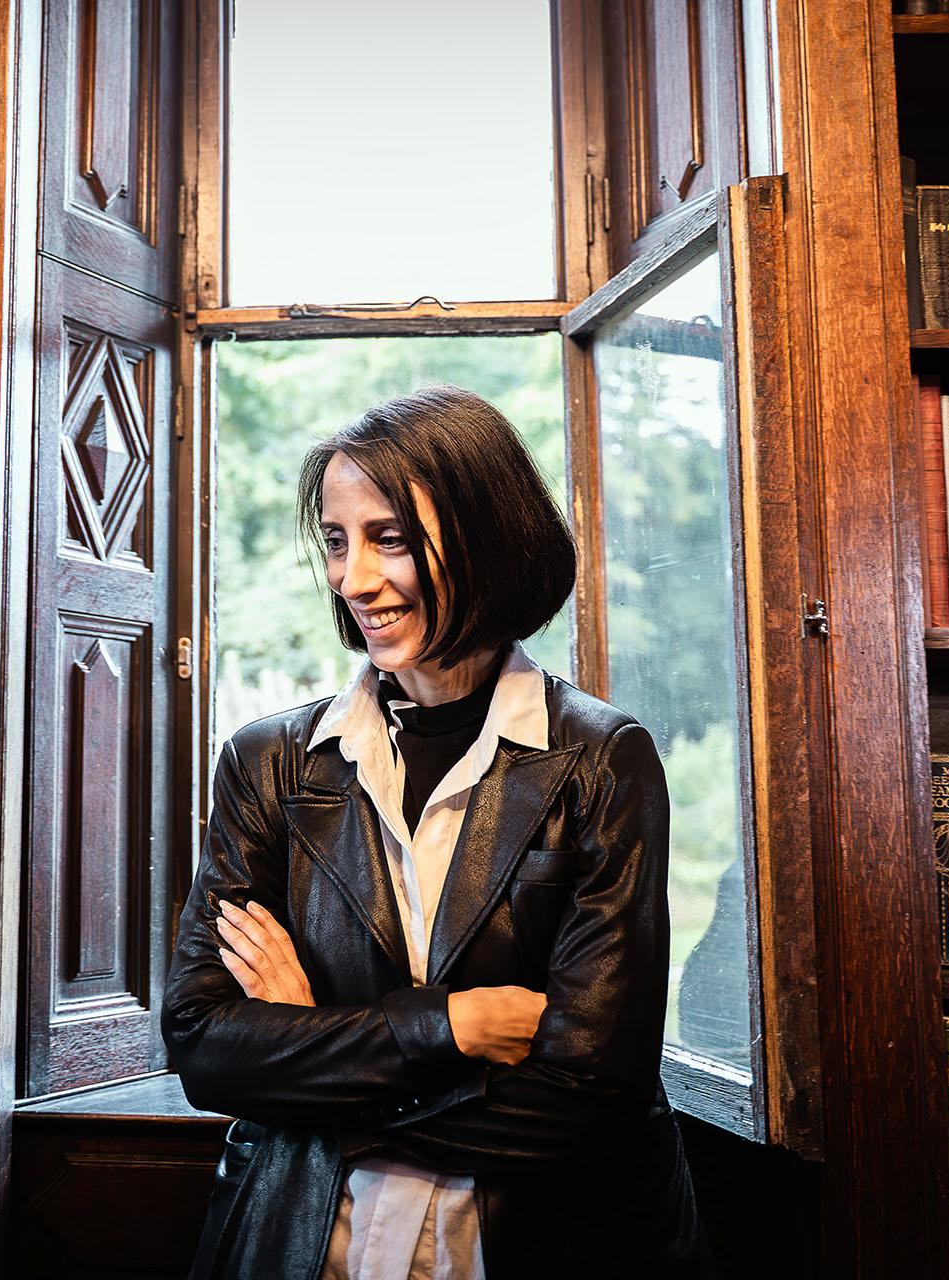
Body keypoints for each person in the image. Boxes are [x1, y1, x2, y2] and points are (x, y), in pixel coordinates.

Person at [162, 386, 704, 1279]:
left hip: (543, 1247)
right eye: (337, 541)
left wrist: (307, 1039)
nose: (352, 578)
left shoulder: (603, 760)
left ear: (487, 536)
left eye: (391, 539)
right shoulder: (265, 763)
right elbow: (205, 1050)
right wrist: (444, 1031)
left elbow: (586, 1100)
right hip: (302, 1244)